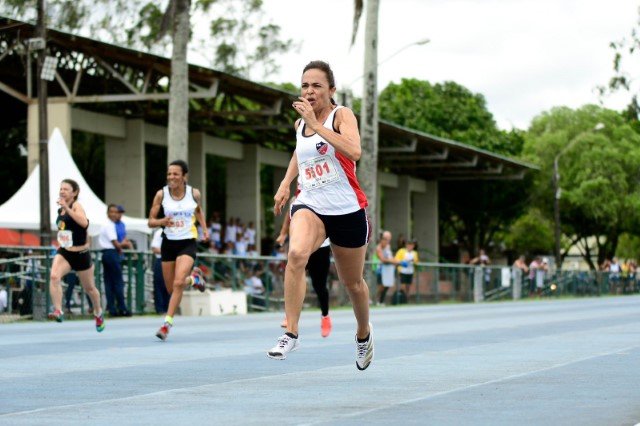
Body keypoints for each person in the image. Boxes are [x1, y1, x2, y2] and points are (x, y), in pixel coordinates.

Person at [268, 60, 373, 370]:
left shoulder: (342, 116)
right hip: (311, 202)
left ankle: (363, 336)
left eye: (316, 85)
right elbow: (301, 152)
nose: (309, 91)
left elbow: (354, 152)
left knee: (352, 283)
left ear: (331, 90)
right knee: (297, 254)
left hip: (346, 208)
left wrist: (317, 126)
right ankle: (291, 333)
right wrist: (286, 183)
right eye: (304, 85)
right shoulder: (301, 123)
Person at [148, 160, 208, 341]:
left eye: (175, 174)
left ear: (184, 176)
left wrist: (204, 230)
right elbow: (150, 221)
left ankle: (166, 324)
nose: (171, 177)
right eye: (169, 174)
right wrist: (161, 222)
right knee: (172, 287)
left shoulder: (193, 193)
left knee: (178, 282)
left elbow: (198, 212)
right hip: (168, 243)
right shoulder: (161, 194)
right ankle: (195, 279)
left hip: (187, 242)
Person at [48, 179, 105, 332]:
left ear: (74, 193)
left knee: (90, 289)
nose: (62, 191)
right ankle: (58, 311)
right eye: (61, 188)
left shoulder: (76, 206)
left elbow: (84, 224)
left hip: (80, 254)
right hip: (65, 252)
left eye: (66, 189)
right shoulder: (60, 209)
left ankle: (98, 313)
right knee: (54, 276)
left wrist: (67, 207)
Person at [276, 195, 333, 338]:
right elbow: (289, 217)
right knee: (293, 276)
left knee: (319, 286)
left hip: (321, 247)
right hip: (301, 245)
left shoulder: (326, 195)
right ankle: (289, 317)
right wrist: (283, 234)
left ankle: (325, 316)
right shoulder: (296, 200)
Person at [97, 204, 132, 317]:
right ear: (108, 213)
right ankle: (122, 308)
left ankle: (112, 309)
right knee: (117, 282)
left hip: (106, 253)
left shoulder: (106, 225)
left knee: (109, 283)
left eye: (115, 212)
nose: (113, 214)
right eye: (111, 212)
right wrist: (125, 244)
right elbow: (116, 243)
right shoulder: (110, 225)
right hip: (112, 253)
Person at [376, 230, 402, 306]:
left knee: (387, 285)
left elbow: (390, 257)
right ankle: (378, 301)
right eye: (385, 239)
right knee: (381, 286)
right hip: (381, 270)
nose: (387, 241)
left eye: (388, 239)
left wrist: (396, 261)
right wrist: (392, 261)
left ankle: (382, 301)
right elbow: (382, 259)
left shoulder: (388, 247)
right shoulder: (378, 248)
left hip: (388, 270)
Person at [150, 227, 170, 314]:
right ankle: (160, 309)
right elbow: (155, 248)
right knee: (159, 285)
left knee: (169, 285)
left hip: (171, 261)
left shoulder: (176, 232)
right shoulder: (160, 232)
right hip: (162, 260)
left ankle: (168, 308)